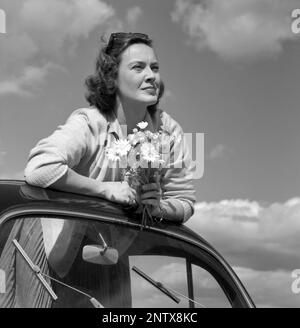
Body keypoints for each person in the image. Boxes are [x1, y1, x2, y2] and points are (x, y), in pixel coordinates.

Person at [24, 32, 196, 223]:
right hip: (61, 247)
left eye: (154, 68)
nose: (151, 76)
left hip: (122, 248)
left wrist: (156, 208)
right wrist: (107, 189)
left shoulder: (168, 130)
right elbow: (40, 169)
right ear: (112, 78)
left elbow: (185, 203)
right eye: (138, 67)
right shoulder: (90, 123)